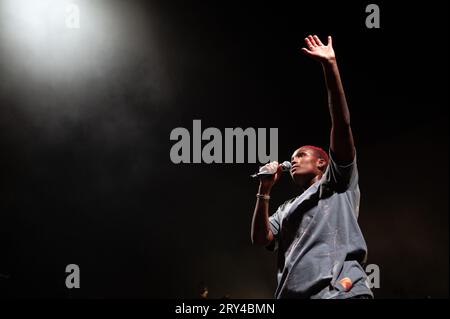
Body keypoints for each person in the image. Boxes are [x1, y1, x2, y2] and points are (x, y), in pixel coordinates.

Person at [250, 35, 373, 299]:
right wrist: (264, 189)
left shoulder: (338, 182)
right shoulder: (285, 210)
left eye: (301, 154)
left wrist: (330, 66)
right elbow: (261, 238)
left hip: (338, 294)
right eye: (292, 156)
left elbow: (341, 124)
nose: (293, 159)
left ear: (322, 162)